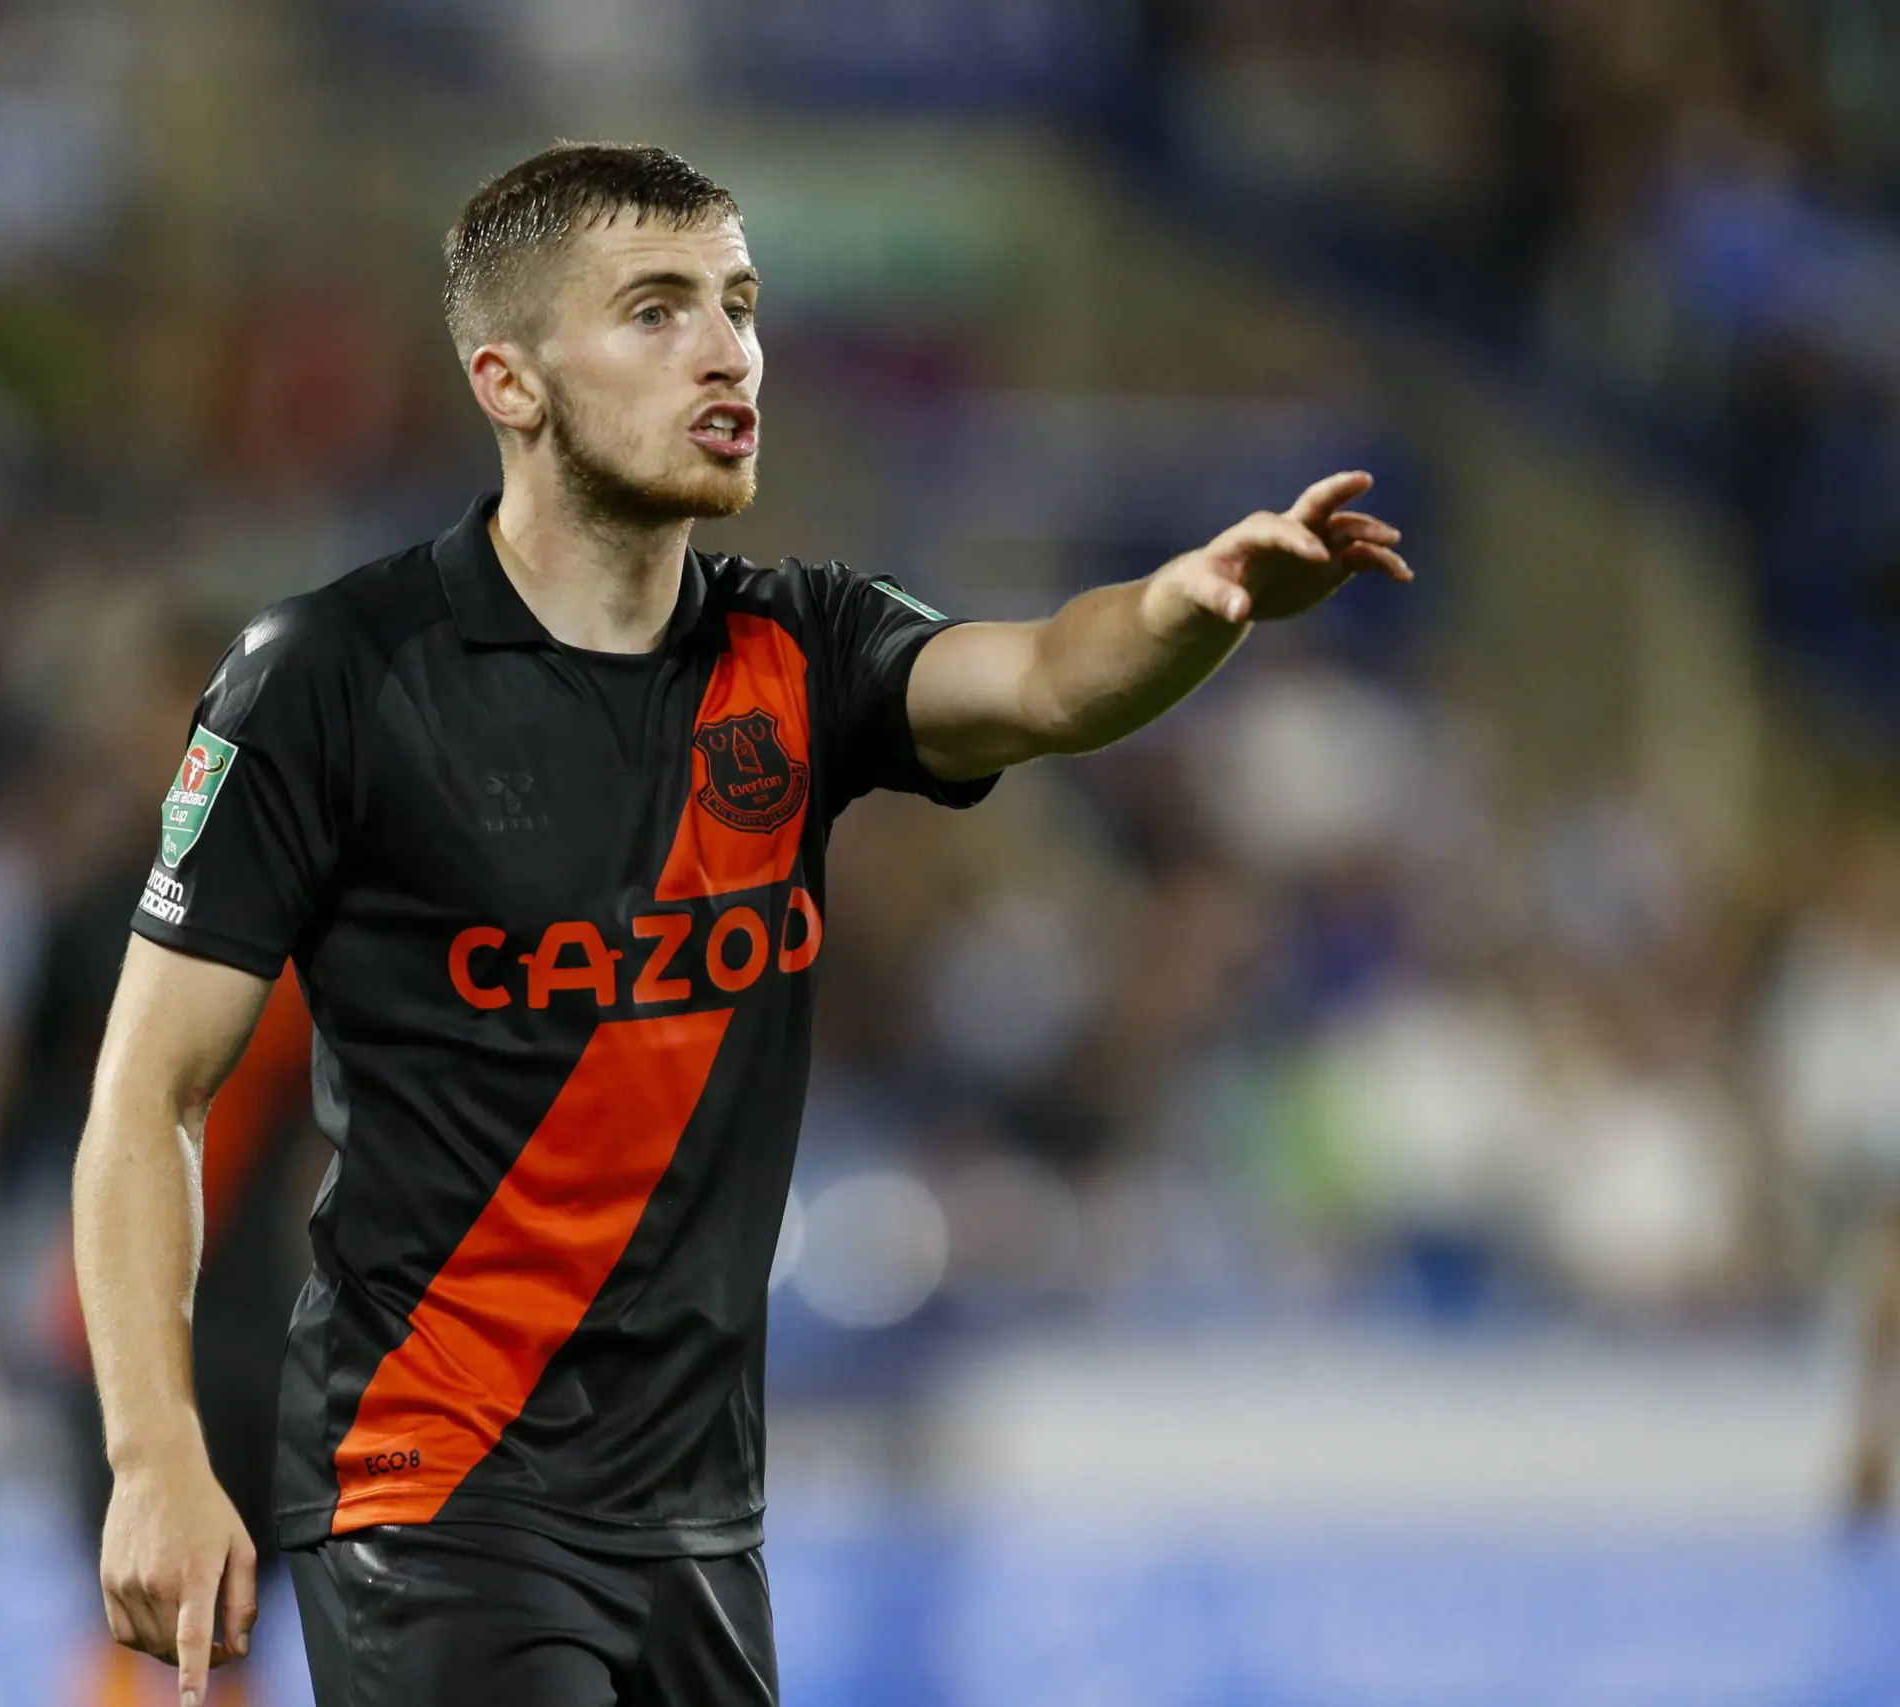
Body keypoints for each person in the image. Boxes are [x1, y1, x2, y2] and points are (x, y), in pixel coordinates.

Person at [71, 142, 1411, 1707]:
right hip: (432, 1484)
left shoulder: (803, 646)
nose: (727, 352)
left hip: (700, 1518)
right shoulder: (331, 679)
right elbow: (146, 1094)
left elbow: (1047, 677)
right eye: (656, 311)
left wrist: (1193, 602)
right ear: (511, 381)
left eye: (741, 305)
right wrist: (154, 1452)